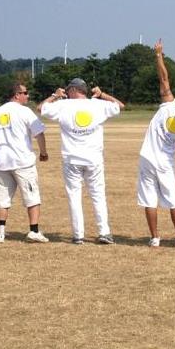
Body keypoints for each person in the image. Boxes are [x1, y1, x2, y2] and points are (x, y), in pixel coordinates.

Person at [38, 78, 124, 245]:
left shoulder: (64, 105)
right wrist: (102, 95)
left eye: (68, 90)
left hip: (71, 158)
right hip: (94, 158)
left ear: (73, 90)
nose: (67, 92)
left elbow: (41, 108)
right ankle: (104, 232)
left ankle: (78, 235)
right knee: (98, 195)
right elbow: (120, 106)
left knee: (74, 196)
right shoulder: (97, 104)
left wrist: (54, 96)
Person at [137, 39, 175, 248]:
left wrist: (159, 55)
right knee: (173, 199)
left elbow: (164, 78)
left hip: (147, 157)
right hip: (165, 160)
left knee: (149, 199)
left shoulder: (169, 105)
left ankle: (155, 237)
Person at [0, 83, 49, 243]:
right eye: (25, 93)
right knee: (32, 196)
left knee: (2, 198)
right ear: (16, 94)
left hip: (2, 162)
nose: (28, 96)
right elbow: (39, 133)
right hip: (22, 161)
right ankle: (33, 230)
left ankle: (0, 232)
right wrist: (43, 152)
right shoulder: (25, 111)